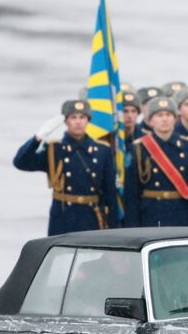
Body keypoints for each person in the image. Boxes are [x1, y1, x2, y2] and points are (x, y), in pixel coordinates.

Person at [13, 100, 119, 235]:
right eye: (73, 117)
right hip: (63, 218)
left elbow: (110, 193)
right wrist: (37, 138)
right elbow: (20, 162)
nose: (78, 122)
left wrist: (114, 230)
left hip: (91, 218)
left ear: (88, 120)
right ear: (66, 121)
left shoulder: (102, 150)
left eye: (82, 117)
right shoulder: (54, 150)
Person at [124, 97, 188, 228]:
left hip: (180, 212)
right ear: (150, 121)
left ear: (175, 119)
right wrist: (132, 226)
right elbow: (131, 193)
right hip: (150, 213)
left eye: (168, 115)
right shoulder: (138, 148)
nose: (165, 119)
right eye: (159, 115)